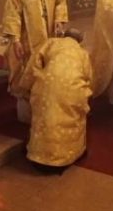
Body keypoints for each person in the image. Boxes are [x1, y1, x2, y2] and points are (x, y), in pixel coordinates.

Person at [2, 0, 68, 122]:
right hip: (26, 41)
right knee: (27, 75)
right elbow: (12, 14)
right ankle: (26, 115)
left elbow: (60, 3)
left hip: (49, 38)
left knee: (47, 73)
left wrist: (60, 21)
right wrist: (15, 40)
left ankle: (46, 111)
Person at [19, 28, 92, 174]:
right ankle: (70, 155)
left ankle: (39, 156)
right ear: (80, 41)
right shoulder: (83, 53)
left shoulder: (51, 42)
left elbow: (34, 64)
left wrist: (25, 87)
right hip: (73, 90)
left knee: (44, 117)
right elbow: (89, 78)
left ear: (64, 35)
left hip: (46, 88)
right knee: (74, 118)